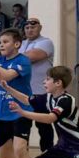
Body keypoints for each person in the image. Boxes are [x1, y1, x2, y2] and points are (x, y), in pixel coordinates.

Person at [20, 17, 55, 150]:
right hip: (23, 93)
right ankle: (22, 154)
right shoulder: (21, 44)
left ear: (40, 28)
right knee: (22, 126)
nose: (30, 30)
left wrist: (15, 57)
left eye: (33, 27)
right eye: (27, 28)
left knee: (44, 126)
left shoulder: (46, 42)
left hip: (41, 92)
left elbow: (31, 57)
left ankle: (47, 154)